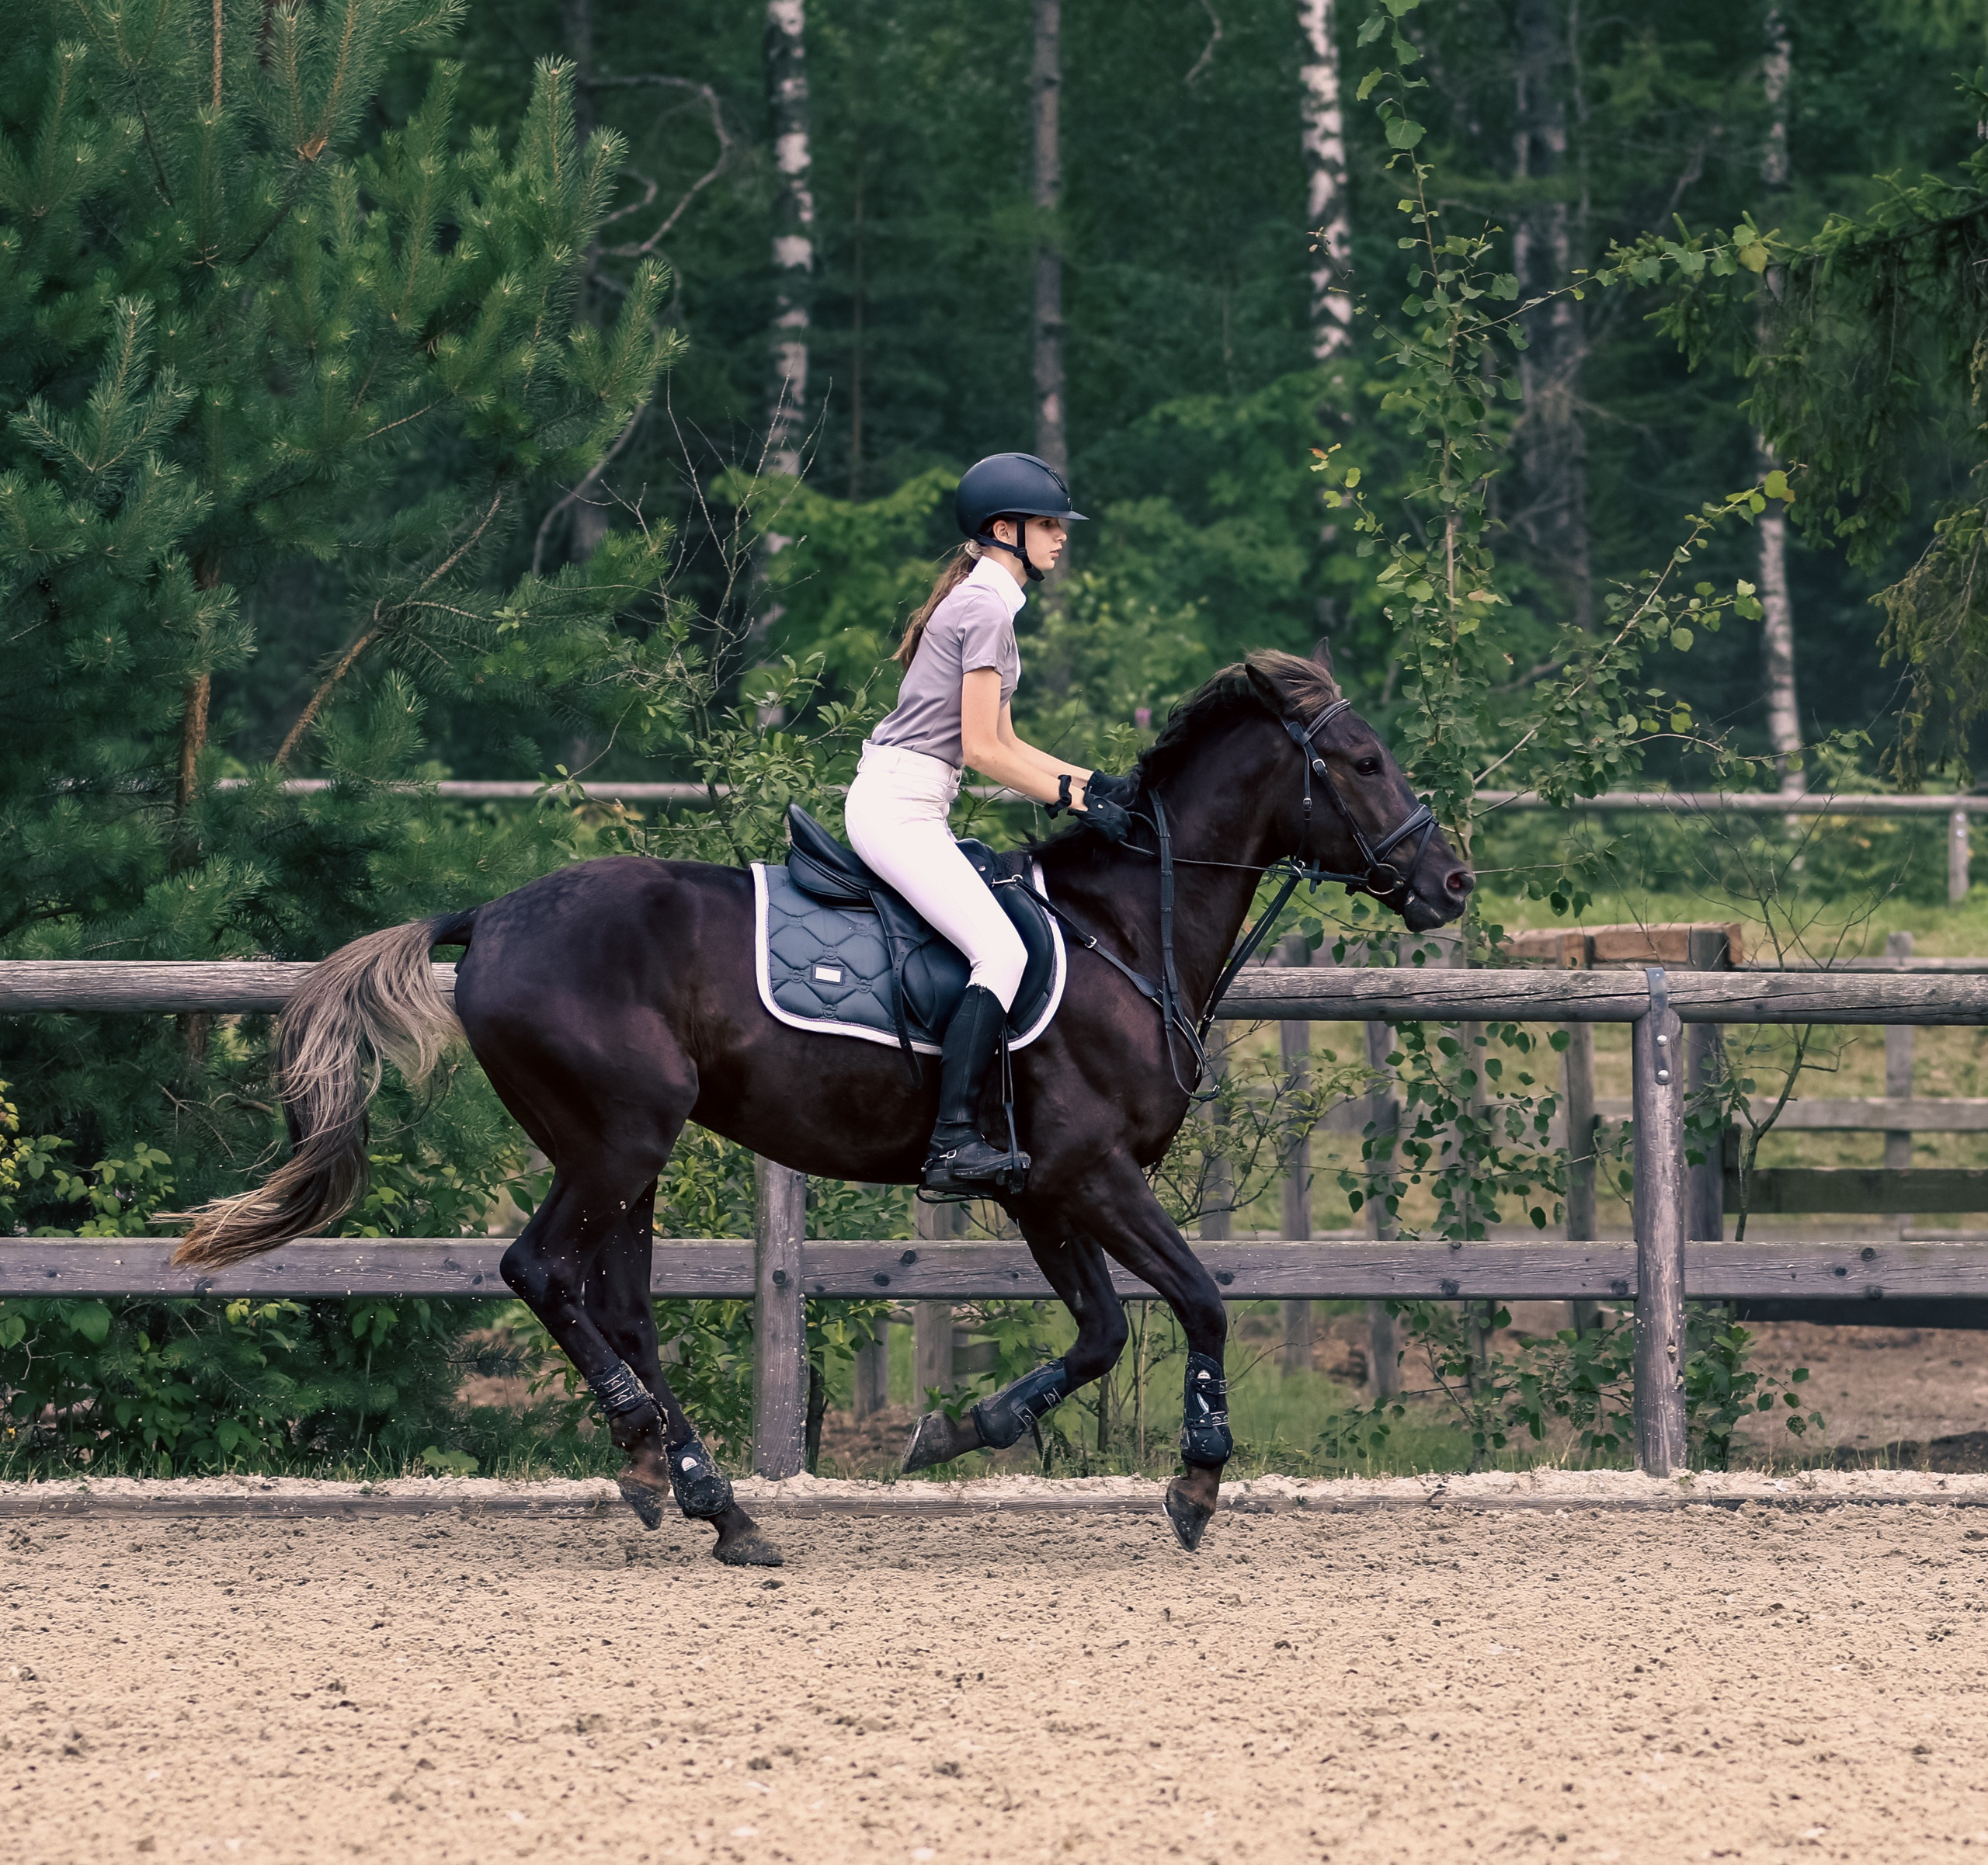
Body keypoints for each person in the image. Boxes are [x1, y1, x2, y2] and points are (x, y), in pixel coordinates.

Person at [843, 452, 1137, 1194]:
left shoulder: (990, 604)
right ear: (1004, 529)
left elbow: (1004, 743)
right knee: (1000, 954)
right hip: (898, 809)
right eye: (1047, 525)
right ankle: (950, 1144)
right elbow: (980, 752)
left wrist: (1090, 784)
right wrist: (1075, 798)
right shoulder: (984, 608)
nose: (1061, 537)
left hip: (911, 803)